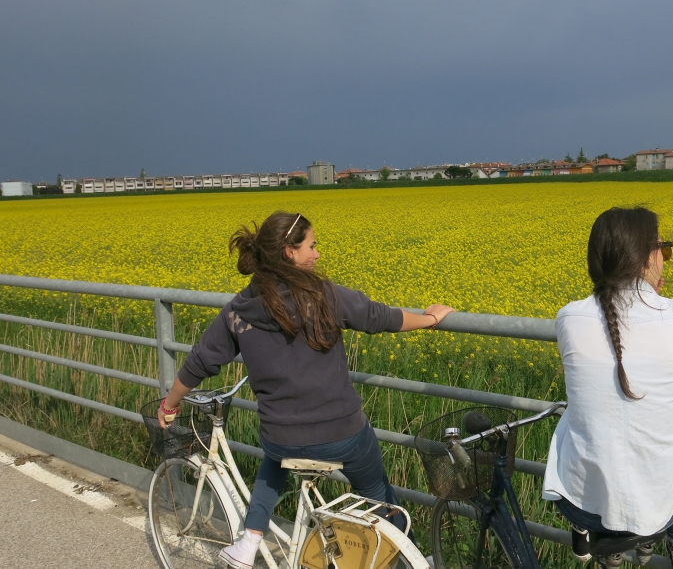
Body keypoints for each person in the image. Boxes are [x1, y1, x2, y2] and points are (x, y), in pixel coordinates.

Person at [158, 210, 454, 569]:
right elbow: (380, 318)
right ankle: (403, 555)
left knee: (276, 453)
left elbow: (200, 362)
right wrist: (431, 318)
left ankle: (249, 542)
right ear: (289, 253)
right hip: (343, 433)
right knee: (376, 493)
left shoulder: (238, 310)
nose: (317, 254)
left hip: (282, 437)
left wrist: (170, 404)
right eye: (311, 246)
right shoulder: (324, 295)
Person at [542, 207, 673, 569]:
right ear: (646, 259)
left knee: (575, 422)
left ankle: (584, 533)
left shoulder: (568, 316)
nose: (665, 258)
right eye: (664, 249)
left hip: (583, 501)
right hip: (660, 504)